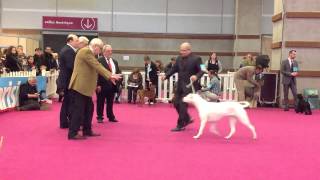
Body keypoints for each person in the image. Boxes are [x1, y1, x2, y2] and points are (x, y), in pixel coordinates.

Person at [67, 38, 120, 140]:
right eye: (100, 49)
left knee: (89, 109)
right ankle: (72, 133)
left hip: (85, 87)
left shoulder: (89, 53)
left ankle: (87, 130)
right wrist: (110, 75)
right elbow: (97, 66)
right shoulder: (86, 51)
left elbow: (95, 66)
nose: (100, 52)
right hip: (80, 86)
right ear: (96, 46)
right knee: (78, 110)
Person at [162, 42, 204, 131]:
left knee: (182, 104)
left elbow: (203, 70)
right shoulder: (178, 58)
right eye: (181, 50)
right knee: (175, 102)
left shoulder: (197, 58)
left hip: (190, 85)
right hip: (180, 85)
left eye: (184, 50)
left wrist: (196, 76)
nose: (182, 52)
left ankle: (180, 125)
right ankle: (187, 118)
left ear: (189, 50)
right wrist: (166, 75)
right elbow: (174, 69)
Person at [57, 34, 79, 129]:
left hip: (65, 80)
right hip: (67, 81)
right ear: (70, 41)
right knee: (69, 102)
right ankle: (67, 122)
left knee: (66, 102)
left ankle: (64, 122)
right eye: (76, 40)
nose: (77, 42)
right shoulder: (68, 51)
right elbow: (71, 66)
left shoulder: (67, 49)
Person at [96, 45, 121, 123]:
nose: (110, 52)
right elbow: (97, 73)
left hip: (112, 85)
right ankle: (100, 116)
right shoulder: (99, 60)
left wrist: (118, 81)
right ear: (103, 52)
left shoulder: (115, 61)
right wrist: (98, 84)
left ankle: (110, 116)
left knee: (110, 102)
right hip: (102, 85)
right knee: (100, 101)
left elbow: (118, 72)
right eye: (108, 51)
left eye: (111, 50)